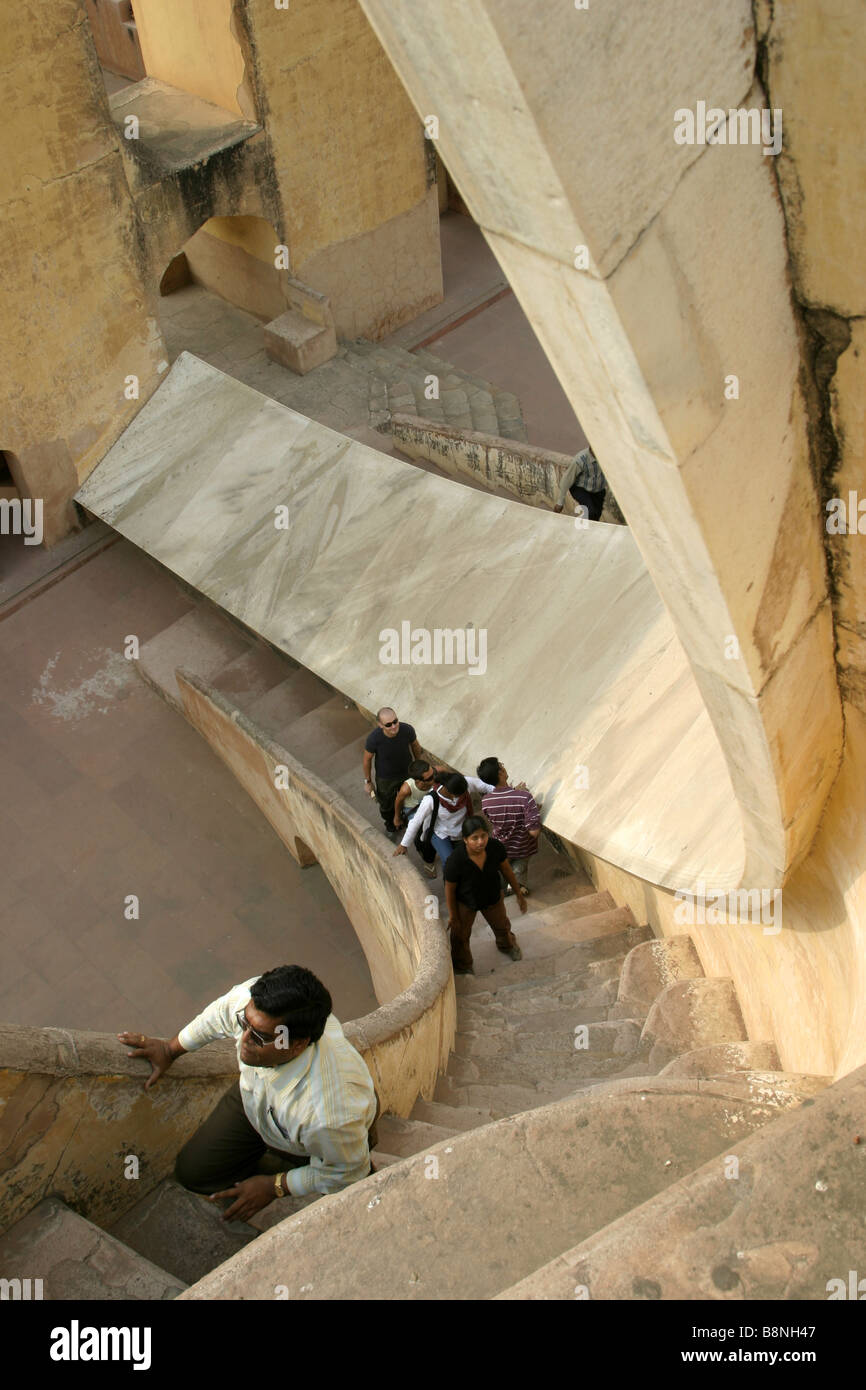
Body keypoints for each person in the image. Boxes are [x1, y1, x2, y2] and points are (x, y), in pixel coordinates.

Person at [117, 965, 377, 1222]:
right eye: (244, 1023)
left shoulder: (328, 1116)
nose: (243, 1039)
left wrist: (274, 1186)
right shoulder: (255, 1005)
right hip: (256, 1103)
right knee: (193, 1173)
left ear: (297, 1044)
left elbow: (348, 1171)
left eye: (260, 1037)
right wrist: (170, 1050)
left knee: (354, 1193)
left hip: (314, 1133)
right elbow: (219, 1015)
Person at [443, 816, 527, 975]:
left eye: (483, 836)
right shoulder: (455, 860)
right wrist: (454, 916)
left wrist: (518, 894)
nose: (480, 842)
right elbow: (449, 889)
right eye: (475, 838)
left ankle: (507, 946)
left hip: (492, 896)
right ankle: (463, 965)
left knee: (502, 926)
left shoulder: (495, 848)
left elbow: (506, 870)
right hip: (466, 901)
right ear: (465, 840)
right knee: (460, 935)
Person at [393, 769, 496, 868]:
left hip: (462, 830)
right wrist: (404, 844)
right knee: (449, 862)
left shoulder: (464, 783)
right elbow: (416, 822)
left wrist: (503, 792)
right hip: (441, 833)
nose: (461, 798)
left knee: (471, 858)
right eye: (458, 796)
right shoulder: (430, 800)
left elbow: (485, 786)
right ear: (449, 792)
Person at [477, 756, 541, 894]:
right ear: (500, 772)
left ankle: (507, 884)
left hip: (501, 846)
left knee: (504, 866)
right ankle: (516, 883)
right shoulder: (524, 797)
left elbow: (500, 815)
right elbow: (534, 832)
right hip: (522, 845)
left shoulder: (486, 802)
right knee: (520, 863)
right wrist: (533, 809)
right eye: (501, 765)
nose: (504, 767)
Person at [363, 707, 422, 838]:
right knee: (386, 805)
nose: (394, 726)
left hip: (407, 772)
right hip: (386, 778)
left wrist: (418, 764)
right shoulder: (374, 739)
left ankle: (406, 819)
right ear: (380, 725)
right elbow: (367, 760)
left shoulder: (407, 730)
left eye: (395, 721)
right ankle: (390, 824)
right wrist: (368, 782)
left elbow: (415, 746)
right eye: (388, 724)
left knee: (410, 798)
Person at [393, 758, 447, 878]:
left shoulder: (438, 771)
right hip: (414, 808)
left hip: (431, 802)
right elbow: (398, 801)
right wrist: (397, 817)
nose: (434, 778)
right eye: (429, 778)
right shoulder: (407, 788)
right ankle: (428, 862)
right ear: (418, 781)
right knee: (421, 837)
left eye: (433, 773)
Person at [553, 445, 607, 521]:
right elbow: (566, 480)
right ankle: (584, 528)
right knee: (590, 511)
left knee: (597, 514)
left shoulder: (606, 456)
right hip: (580, 488)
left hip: (598, 490)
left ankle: (589, 527)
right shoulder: (580, 460)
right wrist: (560, 502)